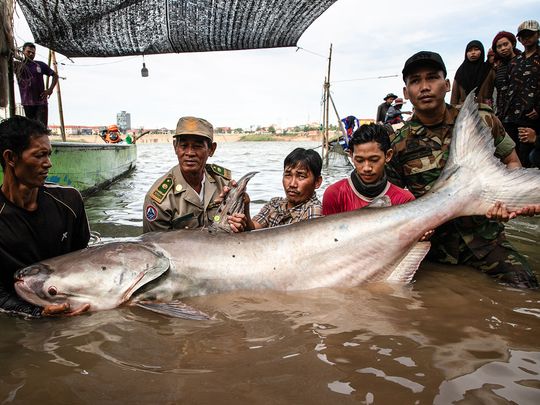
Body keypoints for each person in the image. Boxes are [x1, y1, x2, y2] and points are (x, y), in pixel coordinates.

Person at [386, 50, 539, 288]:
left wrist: (511, 199)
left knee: (525, 289)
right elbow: (393, 199)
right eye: (415, 81)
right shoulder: (398, 145)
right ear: (406, 92)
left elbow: (512, 161)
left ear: (446, 84)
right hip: (433, 250)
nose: (425, 87)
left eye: (432, 78)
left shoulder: (479, 120)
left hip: (486, 240)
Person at [0, 116, 90, 317]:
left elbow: (85, 261)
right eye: (40, 155)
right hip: (22, 313)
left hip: (72, 307)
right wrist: (37, 313)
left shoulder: (70, 201)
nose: (48, 164)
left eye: (49, 155)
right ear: (11, 158)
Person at [143, 116, 245, 232]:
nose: (190, 153)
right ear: (175, 147)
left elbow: (237, 229)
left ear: (211, 149)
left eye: (197, 146)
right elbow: (155, 245)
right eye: (184, 146)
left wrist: (239, 223)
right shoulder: (159, 199)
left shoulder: (224, 184)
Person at [323, 123, 415, 215]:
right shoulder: (334, 194)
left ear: (388, 155)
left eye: (374, 160)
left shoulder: (405, 200)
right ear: (351, 155)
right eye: (359, 160)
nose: (367, 168)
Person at [244, 148, 323, 230]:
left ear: (317, 182)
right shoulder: (274, 204)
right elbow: (253, 228)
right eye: (288, 175)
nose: (292, 184)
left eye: (301, 176)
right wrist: (245, 205)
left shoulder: (314, 210)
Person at [498, 20, 540, 167]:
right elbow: (505, 88)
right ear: (519, 39)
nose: (526, 38)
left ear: (538, 34)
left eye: (530, 34)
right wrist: (501, 114)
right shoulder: (515, 62)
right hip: (510, 117)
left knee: (527, 158)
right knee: (511, 157)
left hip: (530, 117)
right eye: (523, 35)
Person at [14, 43, 58, 127]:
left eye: (33, 53)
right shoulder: (17, 65)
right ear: (23, 51)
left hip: (41, 102)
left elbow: (55, 75)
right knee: (30, 129)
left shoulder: (40, 65)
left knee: (41, 128)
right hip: (27, 102)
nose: (31, 54)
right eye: (28, 52)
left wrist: (50, 89)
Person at [450, 40, 495, 106]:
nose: (473, 53)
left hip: (484, 111)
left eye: (476, 50)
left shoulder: (489, 69)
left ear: (482, 52)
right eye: (470, 50)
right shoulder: (461, 72)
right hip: (463, 112)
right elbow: (454, 98)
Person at [491, 31, 520, 117]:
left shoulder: (523, 62)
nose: (503, 48)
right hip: (503, 113)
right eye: (499, 46)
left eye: (505, 44)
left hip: (522, 113)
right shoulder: (498, 67)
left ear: (513, 44)